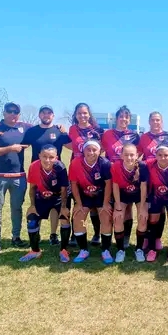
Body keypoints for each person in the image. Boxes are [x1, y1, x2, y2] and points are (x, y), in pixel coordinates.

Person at [22, 105, 72, 245]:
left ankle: (53, 235)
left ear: (53, 115)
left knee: (57, 206)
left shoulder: (59, 131)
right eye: (43, 113)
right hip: (38, 174)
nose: (46, 115)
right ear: (39, 115)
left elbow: (74, 147)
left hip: (57, 175)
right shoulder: (32, 131)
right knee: (38, 205)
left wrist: (66, 132)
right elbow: (21, 146)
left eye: (49, 113)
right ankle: (35, 236)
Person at [0, 102, 31, 252]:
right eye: (10, 111)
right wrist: (10, 149)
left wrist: (59, 128)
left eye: (16, 112)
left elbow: (42, 130)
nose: (13, 114)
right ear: (4, 112)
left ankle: (16, 237)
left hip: (19, 176)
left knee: (17, 208)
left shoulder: (24, 127)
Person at [19, 145, 70, 262]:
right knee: (31, 219)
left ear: (56, 157)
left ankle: (64, 250)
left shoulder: (60, 167)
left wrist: (63, 207)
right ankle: (35, 251)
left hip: (57, 197)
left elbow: (64, 190)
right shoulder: (33, 166)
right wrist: (32, 205)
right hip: (41, 197)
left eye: (51, 157)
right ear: (39, 156)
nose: (47, 160)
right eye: (45, 157)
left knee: (64, 218)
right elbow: (32, 188)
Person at [102, 105, 140, 249]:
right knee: (111, 206)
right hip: (110, 175)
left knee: (127, 207)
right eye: (121, 116)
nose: (123, 119)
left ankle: (125, 237)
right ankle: (107, 236)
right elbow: (101, 150)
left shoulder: (134, 136)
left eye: (126, 117)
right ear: (116, 118)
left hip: (127, 175)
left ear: (129, 119)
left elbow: (137, 155)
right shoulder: (107, 134)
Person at [68, 140, 113, 263]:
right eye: (88, 149)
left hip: (101, 195)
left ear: (100, 151)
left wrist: (105, 203)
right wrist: (78, 203)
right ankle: (83, 250)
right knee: (77, 218)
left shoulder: (105, 163)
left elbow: (108, 184)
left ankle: (105, 250)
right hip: (84, 195)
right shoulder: (76, 163)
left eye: (94, 150)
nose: (91, 152)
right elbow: (74, 184)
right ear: (83, 150)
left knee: (106, 217)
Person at [68, 103, 104, 246]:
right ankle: (74, 234)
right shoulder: (72, 129)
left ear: (89, 114)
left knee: (94, 202)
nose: (82, 116)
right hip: (76, 169)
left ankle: (97, 234)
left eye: (85, 113)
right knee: (78, 202)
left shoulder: (98, 130)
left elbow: (102, 148)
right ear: (75, 115)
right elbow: (69, 144)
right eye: (79, 113)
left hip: (94, 170)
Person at [138, 111, 168, 251]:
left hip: (165, 176)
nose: (155, 122)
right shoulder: (144, 137)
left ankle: (157, 238)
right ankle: (147, 237)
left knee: (163, 210)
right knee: (151, 208)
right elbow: (139, 154)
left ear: (162, 121)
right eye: (153, 120)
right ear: (149, 121)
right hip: (150, 176)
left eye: (158, 120)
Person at [111, 144, 149, 263]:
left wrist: (143, 207)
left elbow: (143, 188)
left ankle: (139, 249)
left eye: (132, 155)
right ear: (121, 155)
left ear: (137, 155)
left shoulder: (142, 166)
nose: (129, 157)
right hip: (123, 194)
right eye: (126, 155)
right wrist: (117, 206)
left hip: (138, 195)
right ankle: (120, 250)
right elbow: (115, 186)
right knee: (117, 218)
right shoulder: (116, 166)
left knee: (143, 218)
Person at [145, 146, 168, 263]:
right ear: (155, 155)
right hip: (155, 196)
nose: (163, 157)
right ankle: (152, 249)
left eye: (166, 155)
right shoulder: (150, 164)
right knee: (153, 221)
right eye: (160, 155)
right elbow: (136, 163)